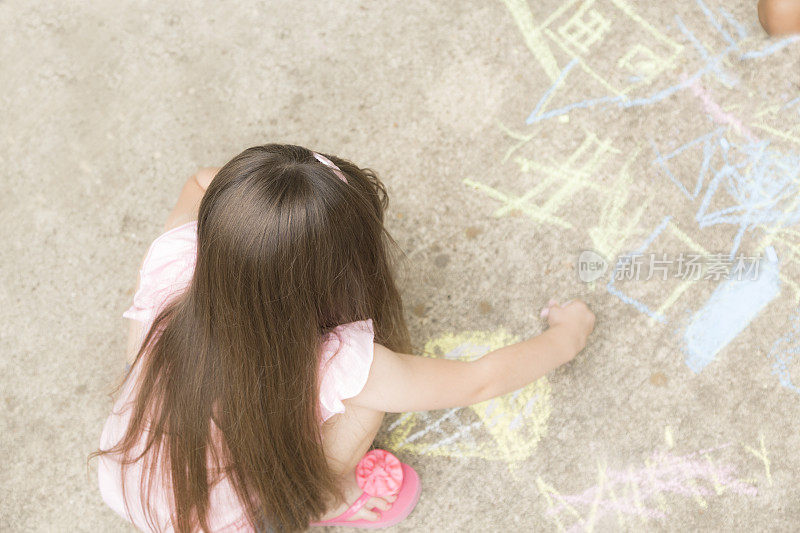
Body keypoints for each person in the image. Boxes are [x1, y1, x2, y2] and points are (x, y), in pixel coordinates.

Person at [91, 143, 595, 532]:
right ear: (341, 276)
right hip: (217, 517)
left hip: (129, 473)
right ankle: (326, 497)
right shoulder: (340, 360)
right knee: (368, 396)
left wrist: (268, 207)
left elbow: (199, 183)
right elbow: (478, 382)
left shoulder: (174, 258)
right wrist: (567, 337)